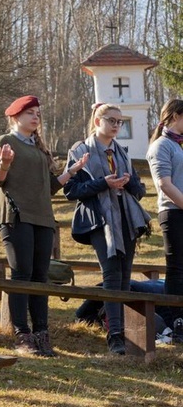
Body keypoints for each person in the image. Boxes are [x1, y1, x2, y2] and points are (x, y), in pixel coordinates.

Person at [0, 95, 86, 357]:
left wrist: (71, 171)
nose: (35, 117)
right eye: (30, 112)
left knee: (41, 277)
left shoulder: (39, 148)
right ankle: (22, 334)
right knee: (22, 275)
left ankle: (42, 333)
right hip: (16, 217)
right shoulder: (4, 142)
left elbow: (50, 187)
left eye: (38, 113)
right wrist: (5, 164)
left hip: (43, 218)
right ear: (15, 116)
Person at [64, 103, 149, 355]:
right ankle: (115, 337)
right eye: (111, 120)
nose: (116, 126)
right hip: (100, 220)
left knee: (124, 276)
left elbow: (140, 191)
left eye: (119, 122)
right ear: (97, 120)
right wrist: (103, 184)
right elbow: (72, 191)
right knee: (111, 275)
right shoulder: (80, 150)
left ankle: (127, 333)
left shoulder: (121, 152)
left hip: (125, 218)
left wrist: (129, 183)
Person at [146, 98, 183, 343]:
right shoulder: (162, 146)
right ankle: (176, 320)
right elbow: (164, 184)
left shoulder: (180, 145)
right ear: (175, 116)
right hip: (173, 212)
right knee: (177, 268)